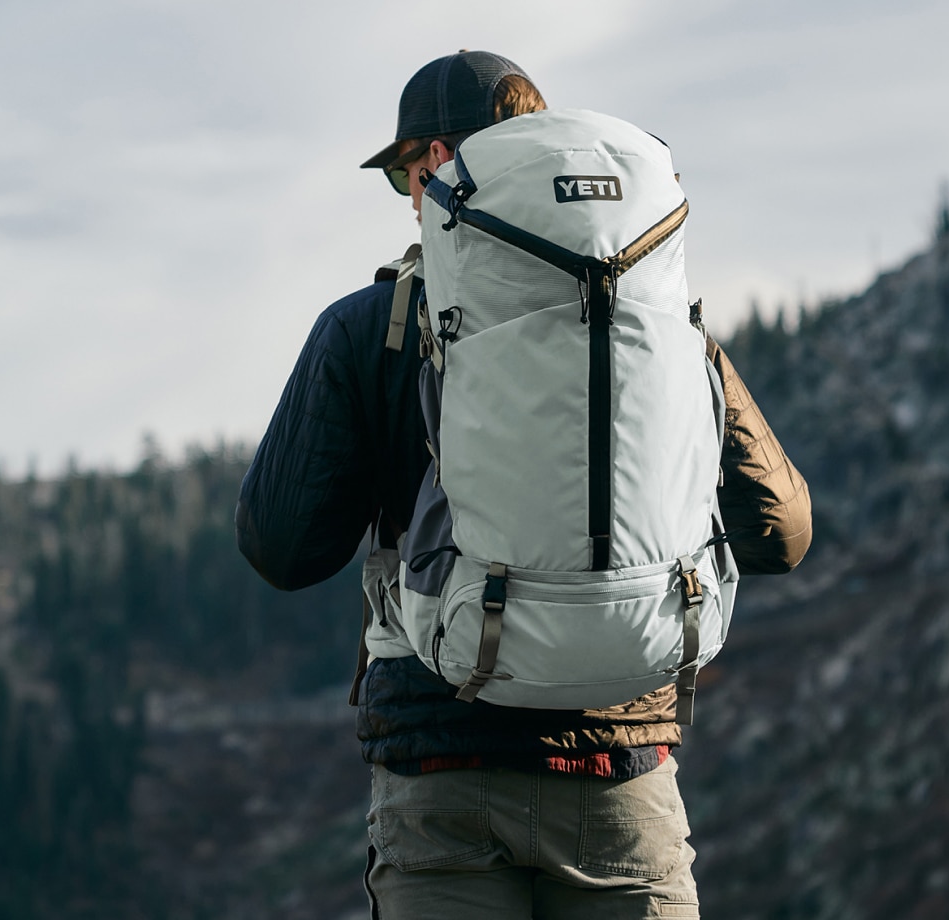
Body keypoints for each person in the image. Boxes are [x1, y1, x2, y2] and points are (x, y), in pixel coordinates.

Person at [236, 50, 812, 920]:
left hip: (441, 774)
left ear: (436, 164)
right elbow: (782, 532)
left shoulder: (370, 329)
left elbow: (281, 548)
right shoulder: (652, 324)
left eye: (403, 173)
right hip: (621, 776)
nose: (409, 192)